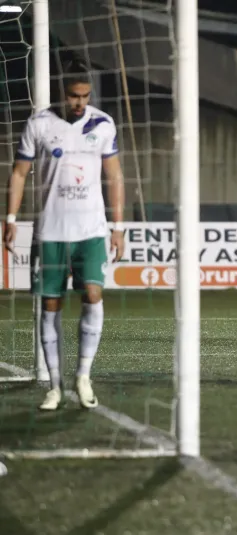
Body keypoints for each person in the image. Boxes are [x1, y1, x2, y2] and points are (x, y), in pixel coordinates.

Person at [3, 59, 126, 410]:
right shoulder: (39, 124)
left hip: (90, 229)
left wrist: (118, 227)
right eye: (74, 96)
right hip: (51, 231)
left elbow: (115, 176)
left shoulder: (102, 123)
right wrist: (10, 217)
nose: (80, 102)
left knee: (93, 293)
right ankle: (55, 386)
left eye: (85, 96)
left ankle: (83, 376)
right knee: (51, 303)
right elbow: (19, 173)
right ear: (62, 92)